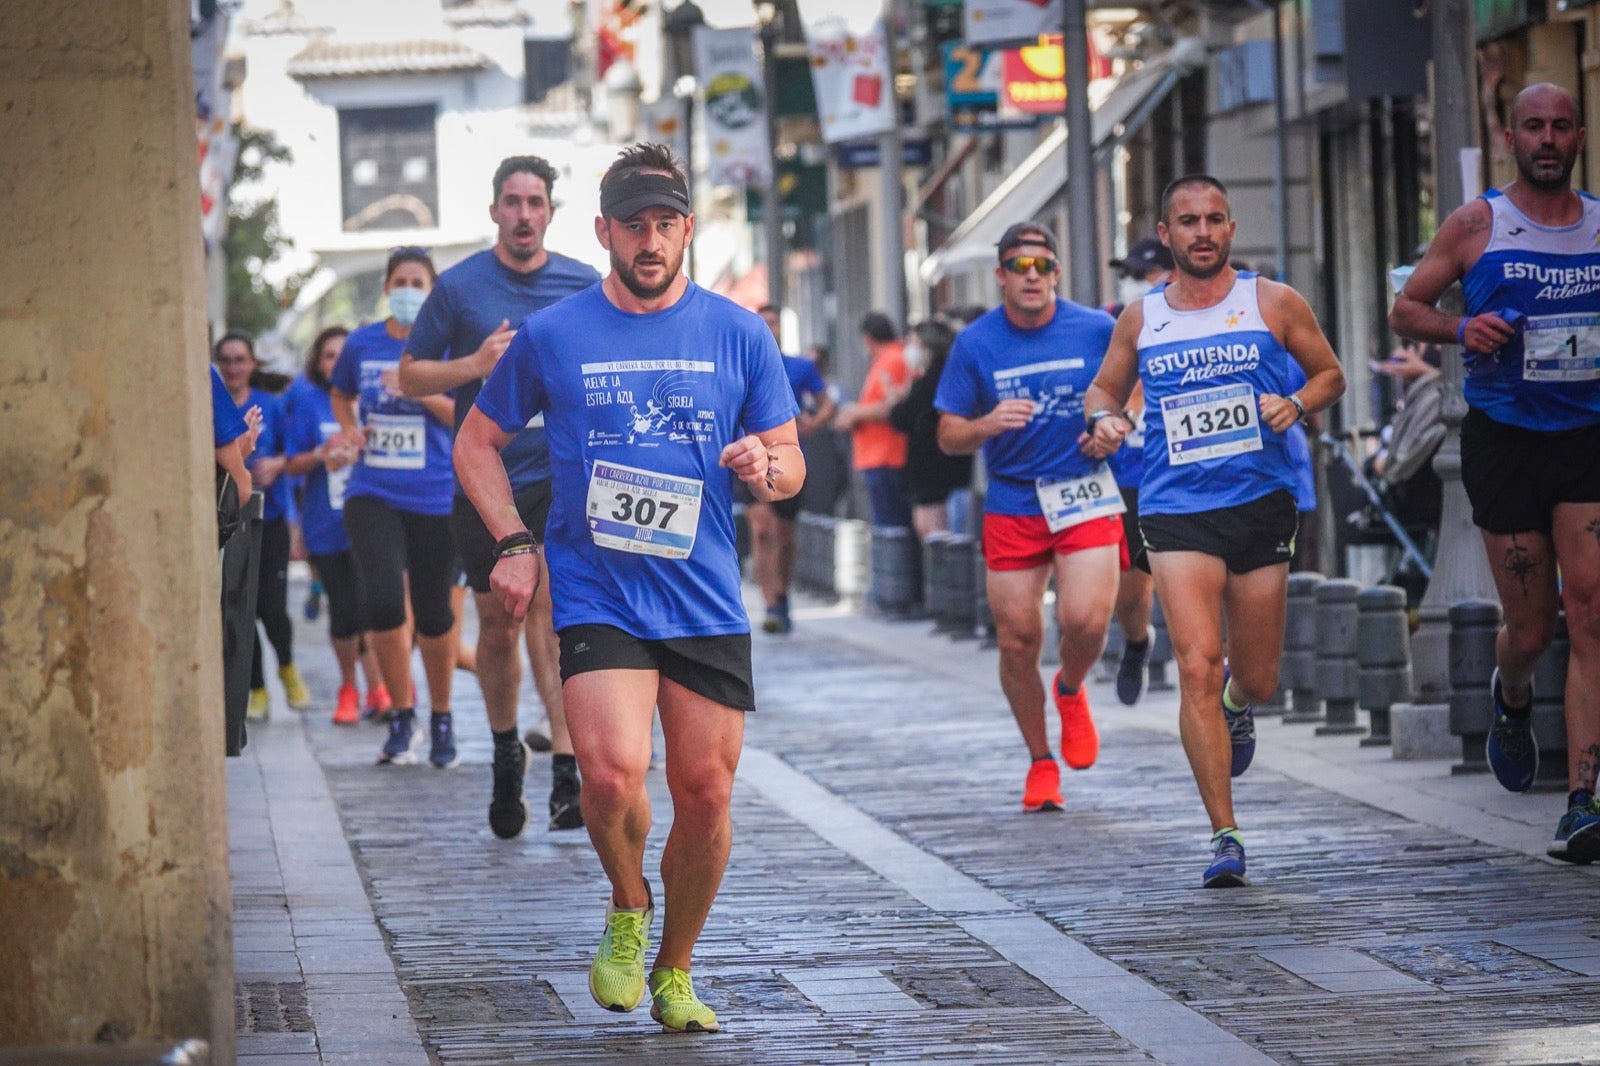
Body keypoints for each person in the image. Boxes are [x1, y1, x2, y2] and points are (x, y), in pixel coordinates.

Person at [455, 142, 802, 1033]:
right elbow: (476, 443)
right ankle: (626, 900)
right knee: (609, 779)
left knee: (706, 793)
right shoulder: (554, 334)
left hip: (704, 598)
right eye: (634, 225)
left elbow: (790, 458)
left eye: (666, 224)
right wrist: (516, 540)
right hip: (600, 591)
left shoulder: (738, 331)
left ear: (687, 229)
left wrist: (767, 463)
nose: (651, 241)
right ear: (603, 230)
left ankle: (676, 970)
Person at [1083, 175, 1346, 887]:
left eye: (1216, 220)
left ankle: (1238, 706)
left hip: (1260, 501)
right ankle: (1224, 835)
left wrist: (1295, 400)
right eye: (1188, 221)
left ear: (1232, 230)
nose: (1203, 232)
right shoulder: (1142, 318)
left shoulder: (1272, 302)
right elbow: (1105, 389)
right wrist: (1104, 419)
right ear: (1165, 234)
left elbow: (1331, 374)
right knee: (1197, 662)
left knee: (1253, 675)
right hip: (1175, 508)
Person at [1389, 82, 1600, 864]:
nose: (1547, 138)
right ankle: (1511, 696)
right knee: (1534, 626)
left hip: (1587, 435)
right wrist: (1459, 327)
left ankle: (1583, 799)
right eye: (1533, 127)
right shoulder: (1479, 222)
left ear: (1579, 135)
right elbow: (1405, 308)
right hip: (1505, 438)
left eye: (1560, 126)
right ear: (1511, 138)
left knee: (1593, 613)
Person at [398, 157, 600, 838]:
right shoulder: (458, 289)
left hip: (559, 476)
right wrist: (475, 366)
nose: (523, 214)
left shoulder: (583, 284)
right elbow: (410, 377)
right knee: (499, 624)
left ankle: (567, 772)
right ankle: (507, 748)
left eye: (535, 202)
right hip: (485, 481)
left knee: (548, 607)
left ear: (550, 211)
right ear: (494, 212)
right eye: (511, 202)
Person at [935, 221, 1122, 814]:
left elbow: (1134, 390)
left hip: (1083, 488)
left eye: (1043, 266)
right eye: (1020, 267)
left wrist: (1114, 427)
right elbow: (947, 435)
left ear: (1057, 273)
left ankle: (1069, 687)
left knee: (1086, 620)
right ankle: (1041, 761)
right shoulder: (976, 343)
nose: (1032, 276)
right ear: (1001, 277)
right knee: (1017, 639)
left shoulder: (1096, 328)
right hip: (1014, 497)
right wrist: (988, 424)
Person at [330, 248, 460, 767]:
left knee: (434, 611)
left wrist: (417, 387)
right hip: (372, 490)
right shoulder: (361, 343)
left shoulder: (447, 346)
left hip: (435, 492)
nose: (409, 289)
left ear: (431, 290)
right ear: (387, 288)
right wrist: (348, 428)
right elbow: (341, 394)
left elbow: (463, 416)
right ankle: (402, 713)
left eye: (418, 281)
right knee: (383, 600)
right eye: (400, 281)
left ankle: (442, 715)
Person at [283, 326, 389, 725]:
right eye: (328, 356)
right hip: (326, 522)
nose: (336, 363)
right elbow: (291, 464)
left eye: (342, 355)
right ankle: (349, 688)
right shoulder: (308, 401)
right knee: (343, 612)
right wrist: (323, 453)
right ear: (318, 361)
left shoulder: (377, 398)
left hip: (374, 519)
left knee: (374, 608)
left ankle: (382, 689)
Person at [214, 331, 312, 720]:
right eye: (226, 360)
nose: (234, 367)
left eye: (240, 359)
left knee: (272, 605)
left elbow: (295, 453)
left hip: (268, 520)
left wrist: (278, 465)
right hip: (227, 519)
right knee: (239, 607)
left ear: (253, 364)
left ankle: (287, 668)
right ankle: (256, 688)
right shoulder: (213, 405)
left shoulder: (271, 405)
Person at [1105, 236, 1176, 705]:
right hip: (1128, 471)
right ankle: (1137, 641)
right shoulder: (1115, 322)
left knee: (1188, 574)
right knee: (1129, 586)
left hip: (1183, 470)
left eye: (1144, 274)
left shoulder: (1202, 322)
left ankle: (1203, 667)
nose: (1136, 284)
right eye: (1130, 275)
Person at [746, 304, 836, 634]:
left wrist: (812, 423)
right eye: (763, 324)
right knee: (762, 531)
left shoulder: (799, 367)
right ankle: (770, 602)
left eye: (773, 323)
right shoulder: (743, 364)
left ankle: (782, 596)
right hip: (749, 460)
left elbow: (828, 401)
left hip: (787, 461)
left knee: (784, 537)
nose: (769, 329)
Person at [887, 319, 973, 541]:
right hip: (936, 471)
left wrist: (897, 400)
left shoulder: (934, 378)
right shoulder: (937, 375)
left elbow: (902, 417)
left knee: (936, 534)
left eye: (912, 342)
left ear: (928, 345)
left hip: (936, 472)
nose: (908, 348)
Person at [835, 312, 912, 529]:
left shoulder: (894, 359)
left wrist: (855, 413)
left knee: (891, 528)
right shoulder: (885, 360)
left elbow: (894, 407)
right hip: (878, 456)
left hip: (888, 456)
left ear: (867, 338)